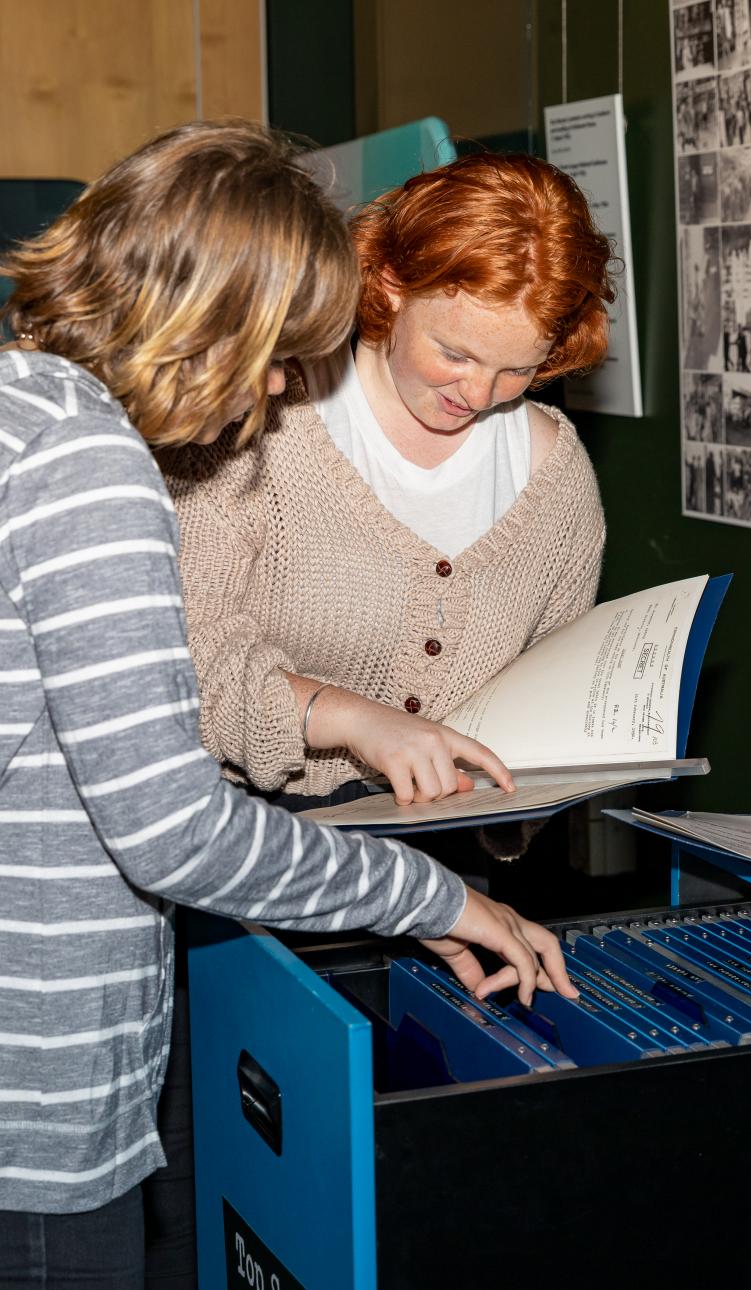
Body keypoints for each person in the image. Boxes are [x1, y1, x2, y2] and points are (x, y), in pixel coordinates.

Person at [0, 120, 575, 1289]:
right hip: (35, 1080)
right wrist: (435, 899)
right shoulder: (90, 462)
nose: (271, 393)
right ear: (211, 320)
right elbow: (172, 828)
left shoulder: (21, 405)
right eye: (273, 357)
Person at [164, 152, 614, 811]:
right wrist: (349, 716)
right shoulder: (256, 421)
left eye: (518, 369)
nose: (480, 393)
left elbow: (550, 695)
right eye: (454, 353)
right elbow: (179, 652)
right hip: (244, 826)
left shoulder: (555, 478)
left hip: (451, 841)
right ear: (391, 283)